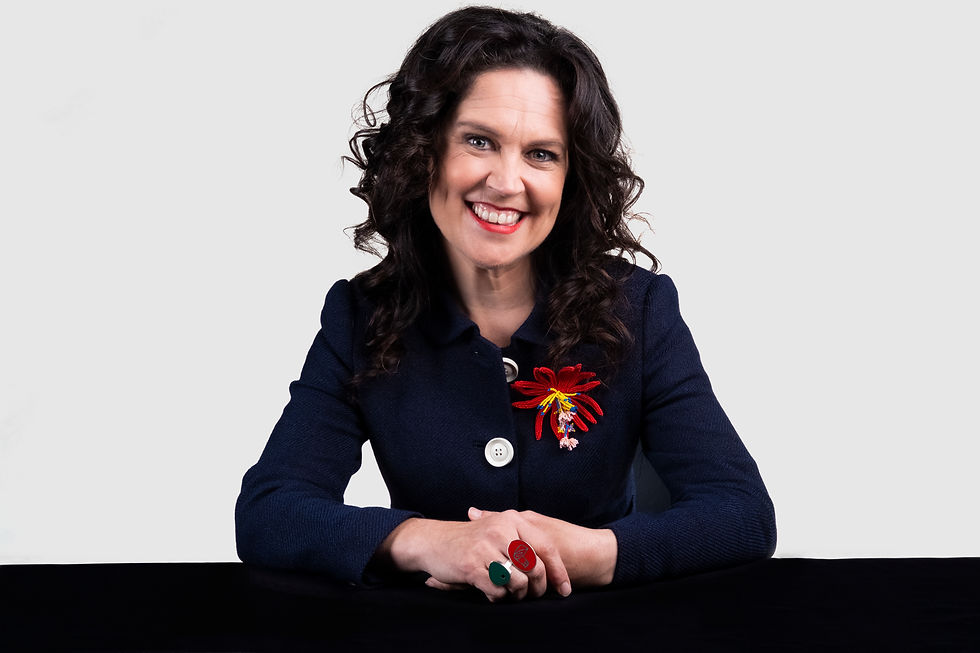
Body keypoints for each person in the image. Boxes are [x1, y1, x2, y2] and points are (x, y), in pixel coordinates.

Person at [235, 6, 776, 602]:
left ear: (572, 177)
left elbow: (741, 512)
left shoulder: (640, 308)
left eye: (541, 153)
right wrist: (426, 541)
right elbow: (271, 511)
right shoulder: (360, 316)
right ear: (425, 151)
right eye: (478, 141)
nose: (506, 181)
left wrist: (594, 554)